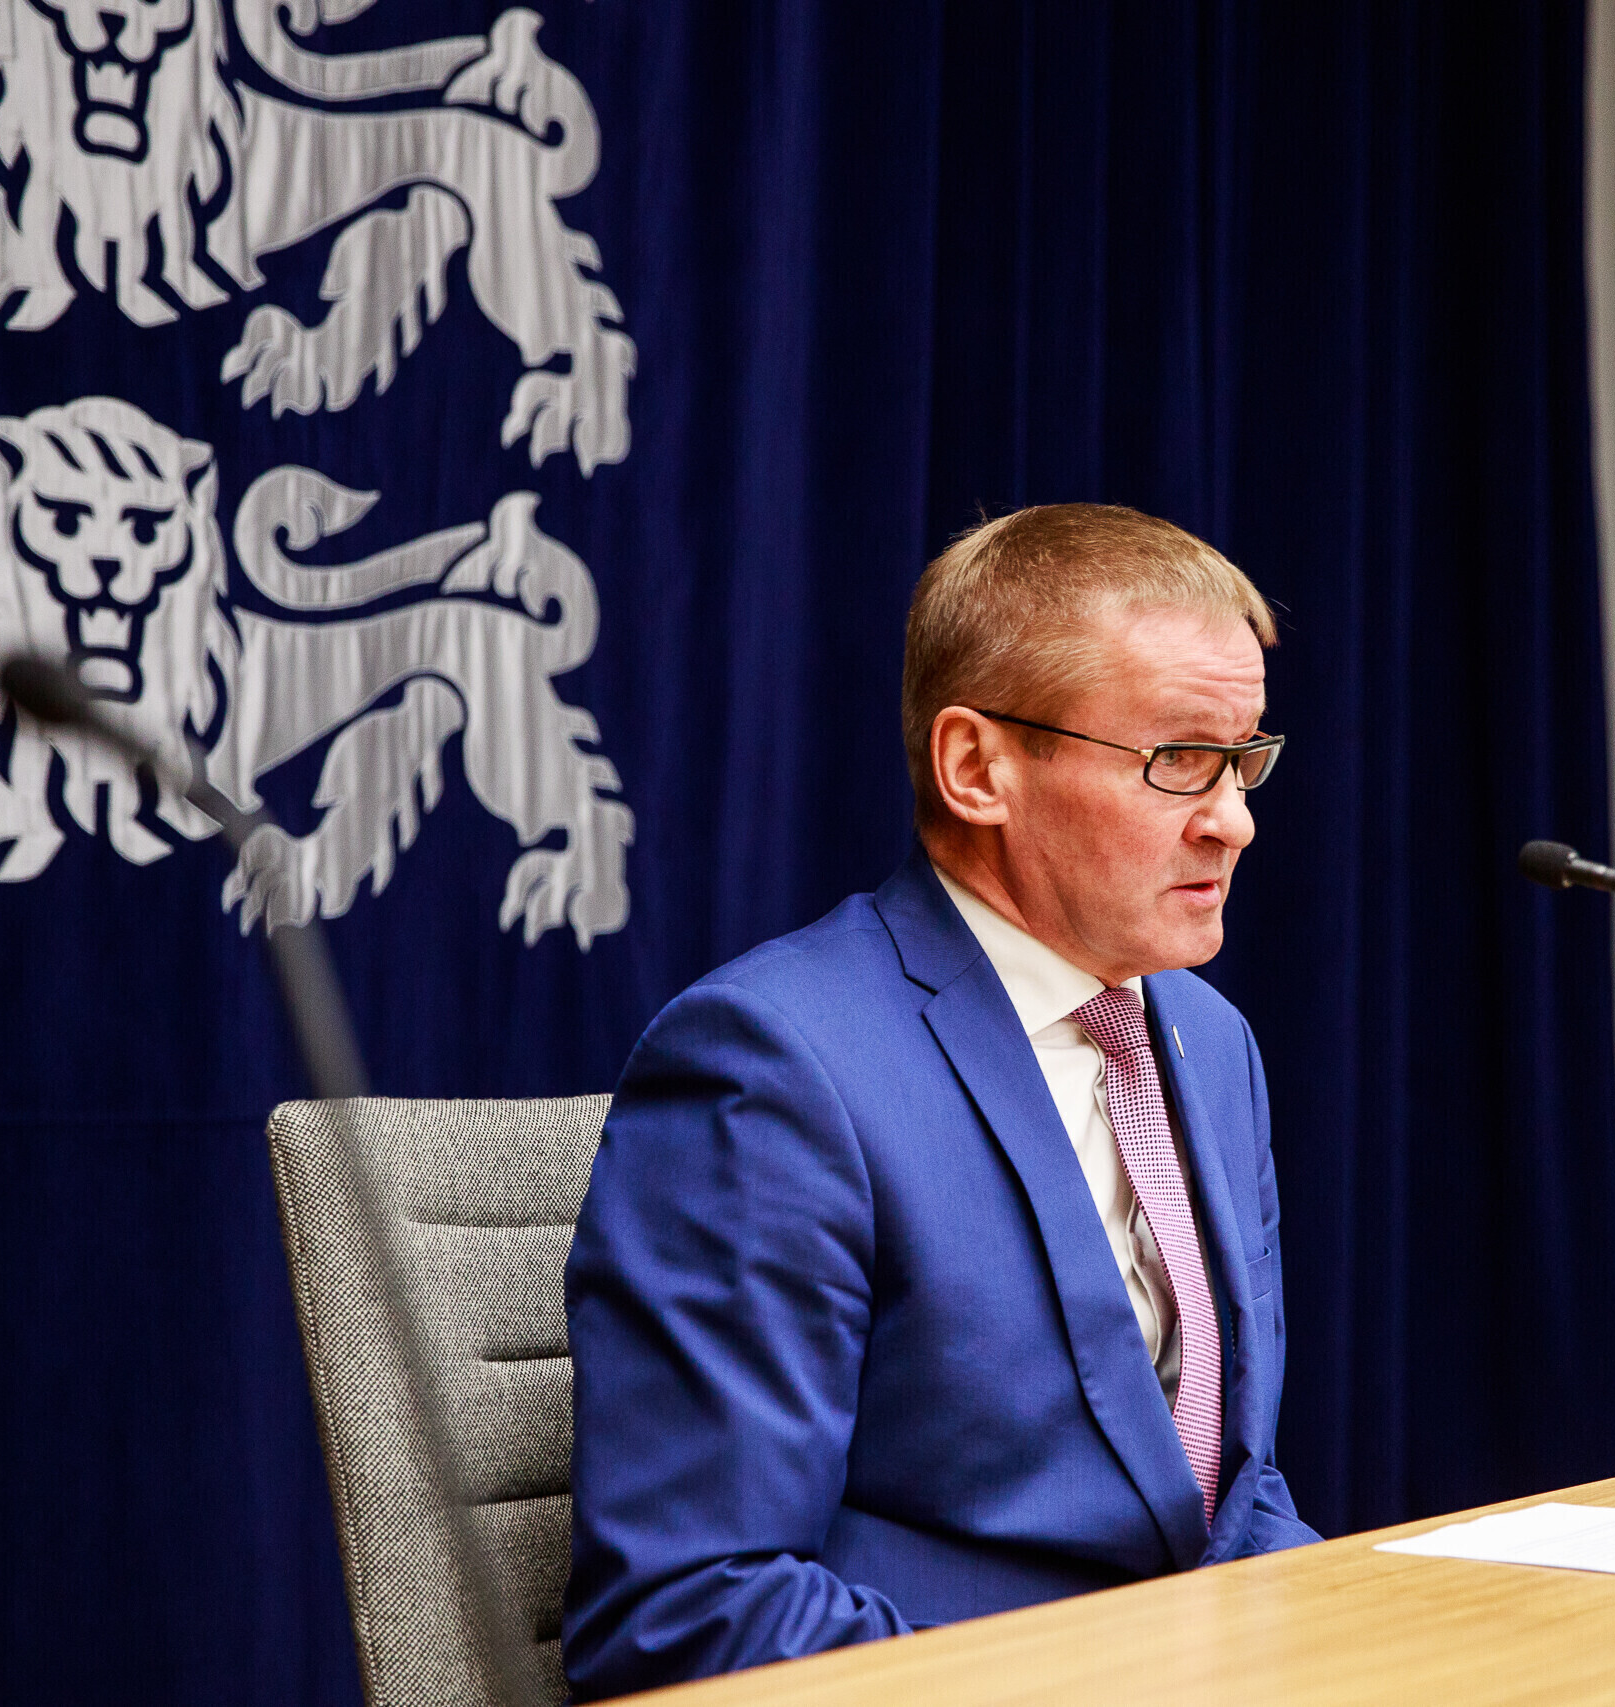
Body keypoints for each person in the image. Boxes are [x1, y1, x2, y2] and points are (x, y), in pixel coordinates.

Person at [562, 503, 1319, 1697]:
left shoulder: (1206, 1040)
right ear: (978, 769)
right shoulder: (772, 1067)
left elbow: (1231, 1495)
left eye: (1244, 759)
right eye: (1178, 758)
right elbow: (693, 1609)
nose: (1234, 819)